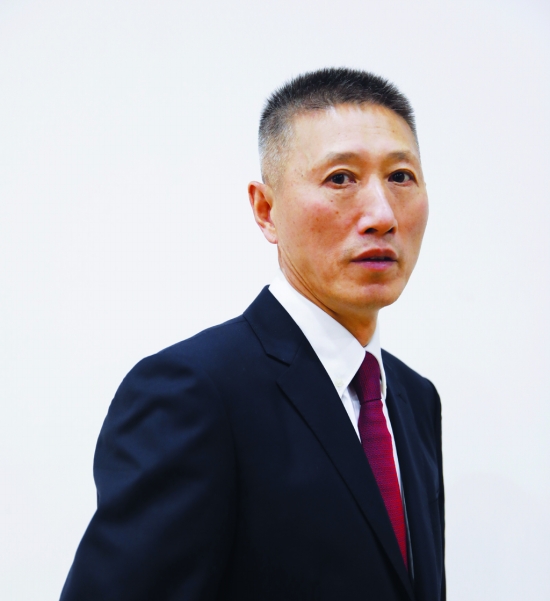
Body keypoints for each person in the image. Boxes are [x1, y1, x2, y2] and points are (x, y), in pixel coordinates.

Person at [60, 68, 445, 601]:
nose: (381, 215)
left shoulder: (413, 398)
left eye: (401, 177)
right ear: (266, 210)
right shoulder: (193, 393)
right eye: (341, 178)